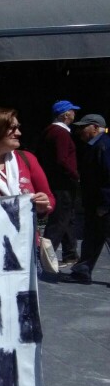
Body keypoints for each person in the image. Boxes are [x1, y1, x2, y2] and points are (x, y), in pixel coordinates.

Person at [62, 114, 110, 284]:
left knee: (99, 236)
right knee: (92, 238)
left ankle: (82, 271)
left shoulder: (104, 146)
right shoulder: (94, 146)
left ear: (95, 128)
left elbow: (108, 176)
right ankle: (82, 271)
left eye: (84, 127)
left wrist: (106, 205)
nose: (80, 131)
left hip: (103, 205)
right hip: (95, 204)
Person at [38, 100, 81, 268]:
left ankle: (70, 254)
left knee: (67, 218)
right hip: (63, 183)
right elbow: (62, 160)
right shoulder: (60, 133)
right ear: (65, 115)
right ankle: (45, 258)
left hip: (55, 181)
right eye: (72, 111)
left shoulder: (49, 131)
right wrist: (75, 175)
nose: (74, 114)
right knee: (59, 220)